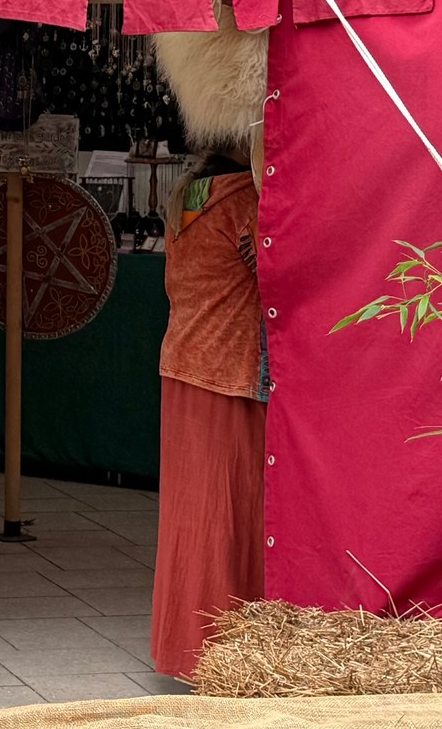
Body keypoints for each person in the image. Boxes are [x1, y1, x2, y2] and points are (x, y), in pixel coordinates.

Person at [149, 150, 267, 678]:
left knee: (188, 518)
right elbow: (280, 275)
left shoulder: (186, 198)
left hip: (181, 363)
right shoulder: (247, 201)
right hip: (226, 371)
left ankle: (181, 644)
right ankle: (220, 650)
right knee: (230, 516)